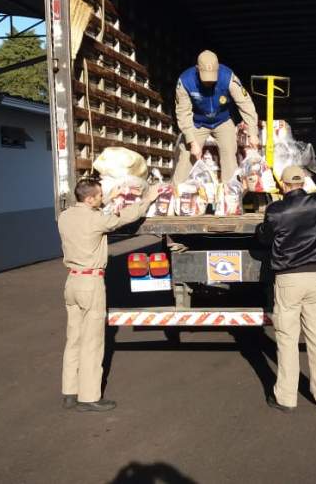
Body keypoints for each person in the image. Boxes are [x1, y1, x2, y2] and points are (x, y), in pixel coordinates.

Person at [57, 178, 158, 412]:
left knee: (74, 339)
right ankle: (89, 397)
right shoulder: (96, 220)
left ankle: (70, 393)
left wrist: (108, 199)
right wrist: (147, 200)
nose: (102, 198)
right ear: (89, 198)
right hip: (90, 283)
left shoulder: (65, 217)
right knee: (92, 342)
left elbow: (92, 214)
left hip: (72, 282)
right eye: (99, 195)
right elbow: (123, 218)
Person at [256, 166, 316, 412]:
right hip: (315, 278)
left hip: (288, 279)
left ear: (283, 184)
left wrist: (261, 229)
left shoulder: (276, 210)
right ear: (304, 182)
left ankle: (286, 398)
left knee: (287, 339)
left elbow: (265, 237)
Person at [173, 50, 259, 185]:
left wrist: (253, 133)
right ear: (197, 69)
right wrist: (192, 142)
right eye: (205, 78)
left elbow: (245, 104)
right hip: (198, 122)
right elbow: (183, 113)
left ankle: (230, 191)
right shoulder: (185, 81)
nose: (209, 83)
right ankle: (176, 191)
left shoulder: (228, 77)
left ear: (218, 68)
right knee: (187, 155)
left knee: (229, 153)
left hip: (223, 120)